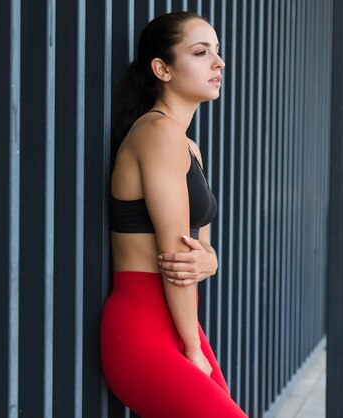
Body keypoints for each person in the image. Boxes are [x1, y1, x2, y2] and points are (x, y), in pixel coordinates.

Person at [99, 12, 247, 417]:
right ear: (162, 69)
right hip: (142, 326)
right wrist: (194, 349)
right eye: (201, 52)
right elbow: (177, 259)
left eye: (217, 52)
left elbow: (201, 253)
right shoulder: (157, 133)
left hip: (176, 322)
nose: (218, 62)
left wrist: (211, 261)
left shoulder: (188, 147)